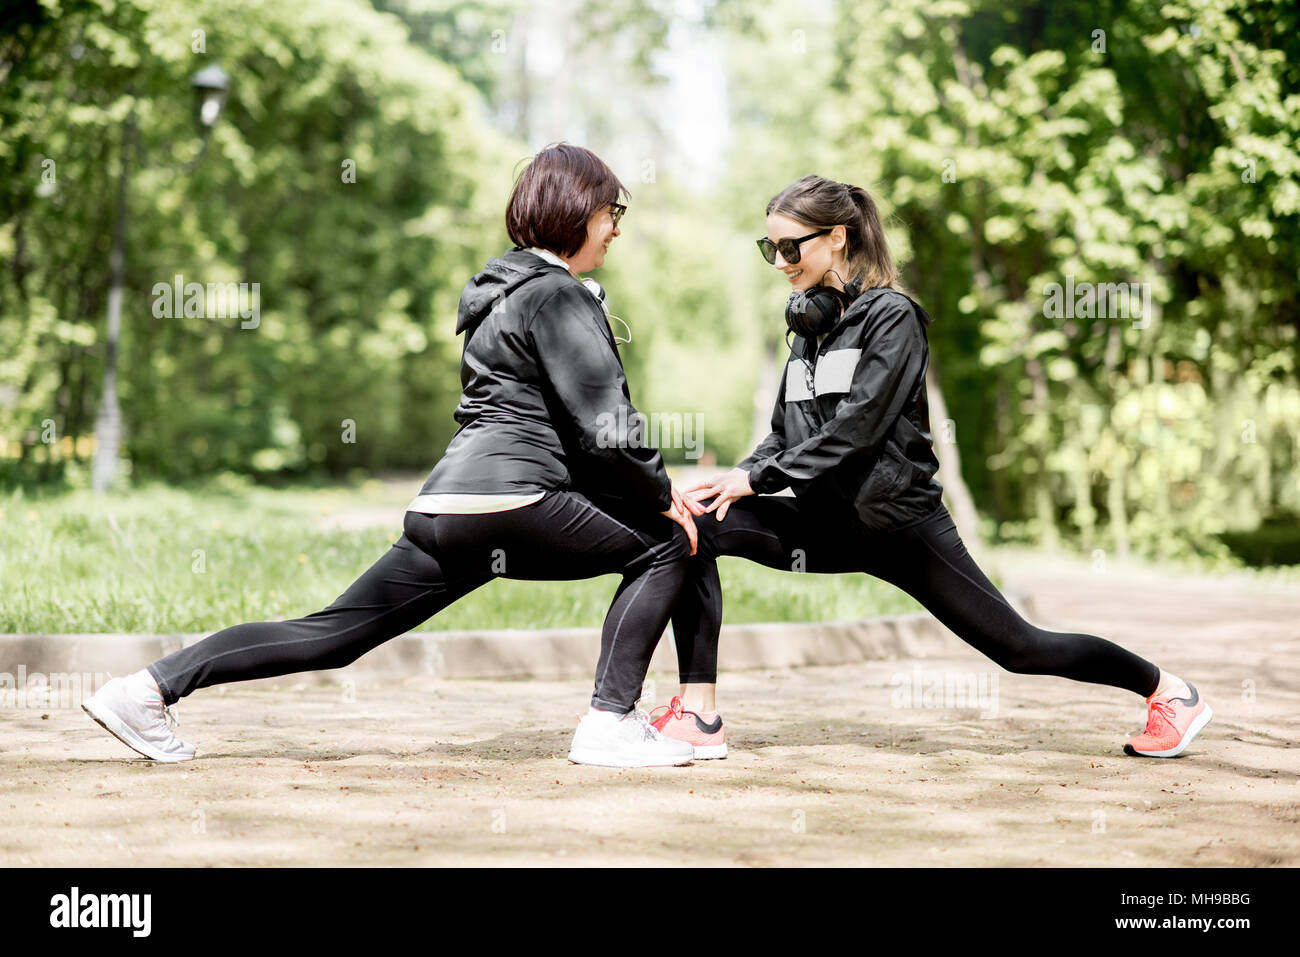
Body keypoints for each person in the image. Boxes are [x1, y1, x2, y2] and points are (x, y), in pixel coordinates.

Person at [82, 143, 702, 769]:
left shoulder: (500, 298)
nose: (617, 227)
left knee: (332, 634)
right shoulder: (559, 295)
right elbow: (605, 423)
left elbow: (551, 421)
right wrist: (659, 493)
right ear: (576, 209)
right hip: (515, 501)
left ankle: (144, 690)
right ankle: (610, 722)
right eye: (610, 211)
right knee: (666, 545)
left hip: (446, 508)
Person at [647, 174, 1212, 761]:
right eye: (771, 249)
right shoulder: (807, 336)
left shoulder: (893, 318)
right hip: (827, 525)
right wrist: (731, 482)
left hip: (899, 526)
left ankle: (1170, 692)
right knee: (694, 528)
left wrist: (757, 480)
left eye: (791, 247)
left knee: (1021, 649)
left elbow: (858, 429)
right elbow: (781, 435)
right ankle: (699, 714)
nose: (779, 262)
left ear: (837, 237)